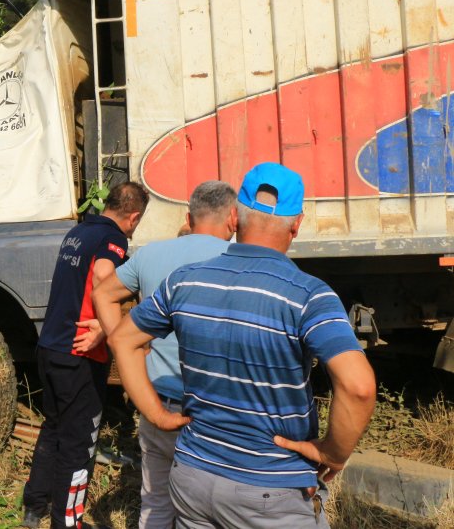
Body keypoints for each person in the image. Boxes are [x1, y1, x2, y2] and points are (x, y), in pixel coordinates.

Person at [109, 163, 376, 529]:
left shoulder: (183, 282)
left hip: (193, 479)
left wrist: (156, 414)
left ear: (234, 217)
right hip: (272, 488)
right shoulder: (309, 296)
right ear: (296, 225)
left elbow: (122, 339)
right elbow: (359, 388)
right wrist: (332, 452)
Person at [78, 180, 237, 529]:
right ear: (233, 218)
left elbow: (103, 292)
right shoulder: (239, 261)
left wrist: (125, 339)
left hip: (157, 403)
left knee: (156, 501)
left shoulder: (150, 255)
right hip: (219, 411)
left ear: (188, 217)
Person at [23, 181, 150, 529]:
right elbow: (103, 276)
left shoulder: (78, 232)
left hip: (50, 347)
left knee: (53, 429)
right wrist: (106, 327)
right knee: (80, 444)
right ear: (134, 217)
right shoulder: (113, 239)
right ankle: (68, 523)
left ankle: (35, 508)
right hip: (79, 352)